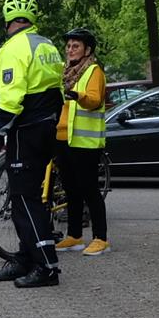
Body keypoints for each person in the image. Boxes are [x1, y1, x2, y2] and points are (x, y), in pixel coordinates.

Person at [0, 0, 65, 288]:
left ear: (8, 21)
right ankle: (24, 258)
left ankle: (47, 267)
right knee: (29, 195)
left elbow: (11, 95)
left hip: (25, 128)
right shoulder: (47, 45)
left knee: (25, 198)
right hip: (46, 127)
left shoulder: (13, 48)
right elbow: (58, 88)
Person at [56, 28, 110, 256]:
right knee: (70, 190)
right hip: (62, 138)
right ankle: (74, 236)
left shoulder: (93, 71)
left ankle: (101, 238)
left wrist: (78, 95)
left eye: (75, 46)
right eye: (68, 46)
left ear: (87, 50)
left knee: (89, 190)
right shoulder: (64, 73)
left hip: (85, 142)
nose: (70, 50)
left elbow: (95, 100)